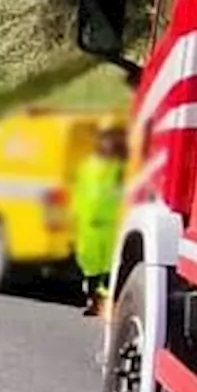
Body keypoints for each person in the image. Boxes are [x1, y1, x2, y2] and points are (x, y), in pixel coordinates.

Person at [73, 117, 127, 317]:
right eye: (105, 138)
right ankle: (93, 302)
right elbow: (80, 192)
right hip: (88, 225)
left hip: (111, 226)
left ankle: (108, 306)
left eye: (113, 137)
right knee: (90, 267)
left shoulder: (122, 167)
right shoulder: (89, 164)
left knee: (110, 268)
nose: (108, 142)